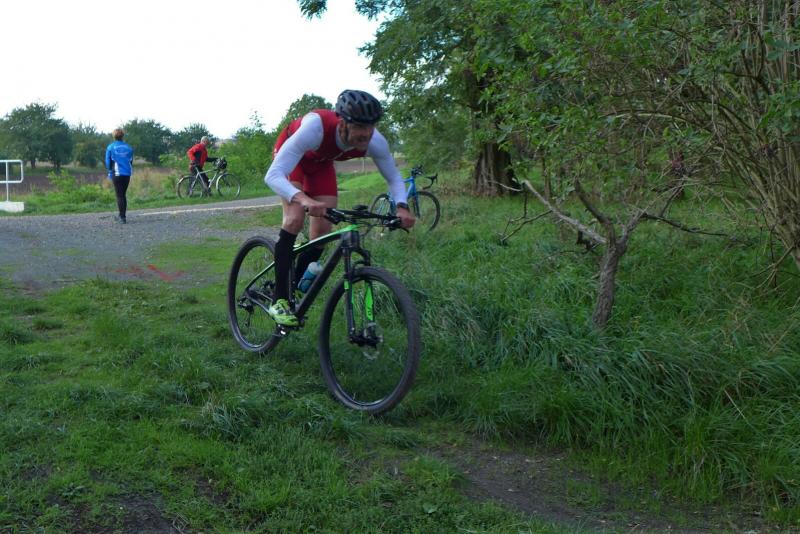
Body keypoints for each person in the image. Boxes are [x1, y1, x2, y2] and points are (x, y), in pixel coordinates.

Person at [264, 89, 415, 326]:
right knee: (294, 218)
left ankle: (293, 285)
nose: (366, 133)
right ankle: (279, 298)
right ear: (342, 123)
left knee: (322, 233)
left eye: (371, 126)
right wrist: (304, 199)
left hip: (321, 164)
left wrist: (402, 207)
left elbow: (394, 177)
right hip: (292, 161)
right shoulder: (316, 127)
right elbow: (273, 175)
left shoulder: (374, 141)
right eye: (360, 127)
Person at [105, 128, 134, 224]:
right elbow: (131, 161)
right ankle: (122, 216)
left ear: (114, 136)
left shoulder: (110, 147)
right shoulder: (129, 147)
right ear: (122, 136)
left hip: (117, 173)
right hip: (127, 173)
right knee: (123, 195)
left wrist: (110, 170)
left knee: (119, 195)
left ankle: (122, 218)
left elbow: (108, 162)